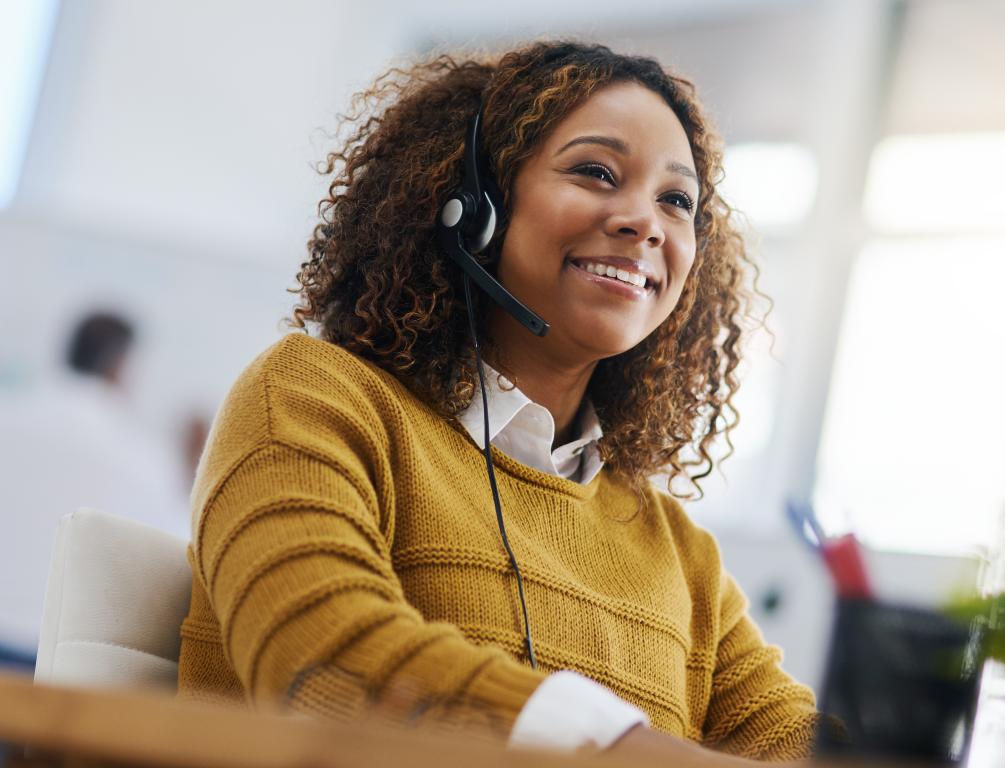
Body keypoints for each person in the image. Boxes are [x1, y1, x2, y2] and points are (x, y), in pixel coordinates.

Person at [178, 42, 819, 762]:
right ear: (471, 206)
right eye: (595, 172)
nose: (644, 221)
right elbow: (322, 657)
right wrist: (617, 748)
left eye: (677, 200)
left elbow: (796, 744)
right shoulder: (314, 397)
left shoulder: (675, 546)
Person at [0, 311, 189, 667]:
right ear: (120, 366)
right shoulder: (140, 456)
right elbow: (173, 553)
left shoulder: (8, 414)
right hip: (49, 658)